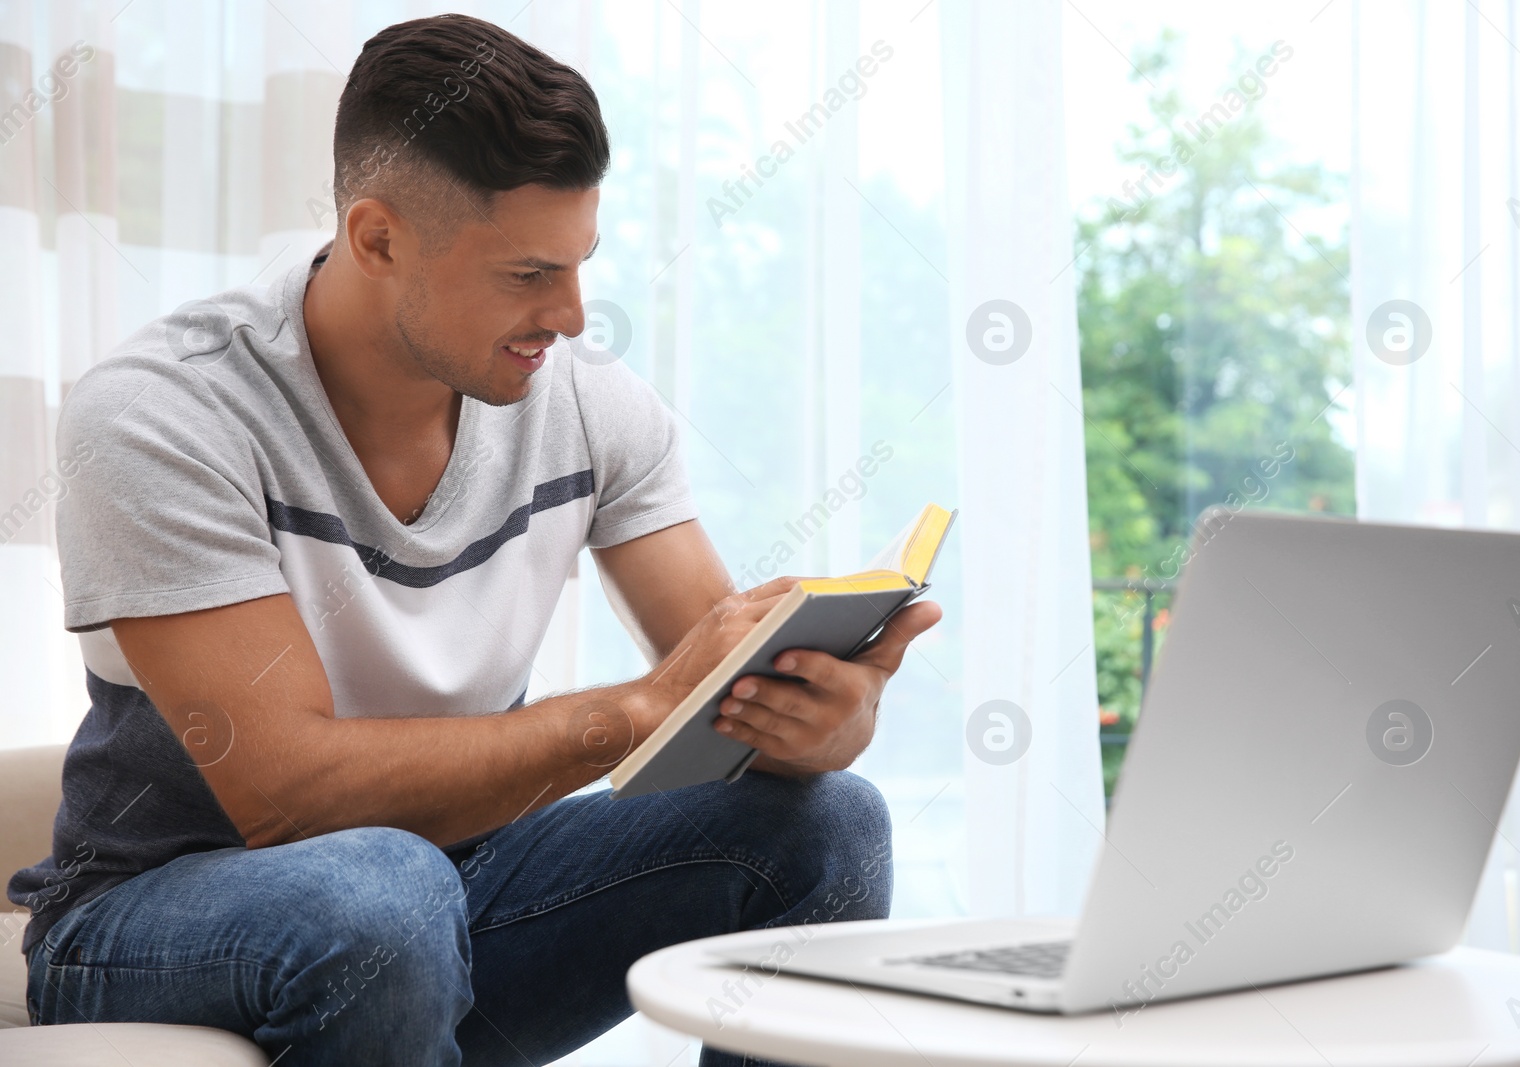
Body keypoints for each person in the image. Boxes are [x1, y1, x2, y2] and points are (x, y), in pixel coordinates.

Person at [7, 14, 939, 1066]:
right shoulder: (163, 415)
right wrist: (629, 709)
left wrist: (818, 717)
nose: (574, 315)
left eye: (580, 263)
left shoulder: (586, 407)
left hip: (453, 890)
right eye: (526, 274)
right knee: (381, 890)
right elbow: (284, 796)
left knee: (827, 823)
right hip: (157, 912)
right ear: (377, 237)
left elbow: (716, 702)